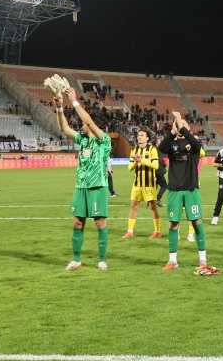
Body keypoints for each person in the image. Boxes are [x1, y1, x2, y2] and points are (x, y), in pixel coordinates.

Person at [48, 76, 111, 270]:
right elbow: (64, 128)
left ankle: (102, 260)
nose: (80, 125)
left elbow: (88, 121)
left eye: (82, 123)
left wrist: (74, 100)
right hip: (81, 186)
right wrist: (60, 107)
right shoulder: (82, 140)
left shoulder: (103, 140)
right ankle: (76, 260)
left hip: (97, 187)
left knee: (100, 223)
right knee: (77, 223)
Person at [158, 111, 218, 274]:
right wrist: (173, 131)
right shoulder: (171, 144)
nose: (179, 126)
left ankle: (203, 260)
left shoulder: (194, 142)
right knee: (173, 224)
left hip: (191, 189)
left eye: (183, 124)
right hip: (175, 190)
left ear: (188, 128)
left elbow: (197, 146)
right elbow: (161, 148)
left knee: (197, 223)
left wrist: (182, 126)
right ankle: (172, 260)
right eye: (177, 124)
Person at [122, 127, 162, 239]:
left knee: (153, 207)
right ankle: (130, 231)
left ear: (147, 138)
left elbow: (155, 166)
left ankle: (157, 231)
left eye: (142, 135)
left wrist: (141, 160)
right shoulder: (134, 150)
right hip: (137, 184)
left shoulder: (152, 149)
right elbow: (130, 168)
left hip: (149, 184)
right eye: (138, 135)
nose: (139, 137)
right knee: (134, 206)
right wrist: (135, 161)